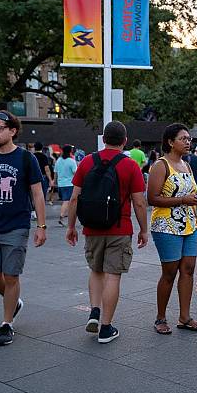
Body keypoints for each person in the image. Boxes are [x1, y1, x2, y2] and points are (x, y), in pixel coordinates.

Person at [66, 121, 148, 344]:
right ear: (124, 141)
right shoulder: (130, 165)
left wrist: (72, 226)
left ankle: (94, 310)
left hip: (92, 227)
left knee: (96, 270)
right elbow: (139, 202)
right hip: (119, 228)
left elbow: (74, 198)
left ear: (104, 139)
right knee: (113, 275)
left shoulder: (86, 162)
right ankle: (106, 327)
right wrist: (143, 230)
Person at [0, 111, 46, 346]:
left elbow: (37, 193)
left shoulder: (26, 159)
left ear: (12, 131)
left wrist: (42, 226)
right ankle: (14, 302)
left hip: (16, 225)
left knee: (11, 275)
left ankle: (6, 323)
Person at [148, 124, 197, 334]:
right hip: (166, 225)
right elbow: (153, 198)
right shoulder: (161, 165)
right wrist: (182, 200)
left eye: (189, 139)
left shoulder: (187, 165)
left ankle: (185, 317)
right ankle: (160, 317)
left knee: (188, 270)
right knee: (169, 272)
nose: (188, 142)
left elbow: (191, 198)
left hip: (189, 224)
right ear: (170, 142)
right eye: (183, 139)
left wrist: (196, 220)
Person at [54, 144, 77, 226]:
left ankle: (67, 214)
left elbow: (55, 172)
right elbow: (75, 173)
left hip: (61, 184)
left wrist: (54, 182)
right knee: (67, 201)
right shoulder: (71, 161)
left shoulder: (58, 161)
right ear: (70, 151)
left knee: (67, 201)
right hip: (70, 184)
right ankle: (62, 216)